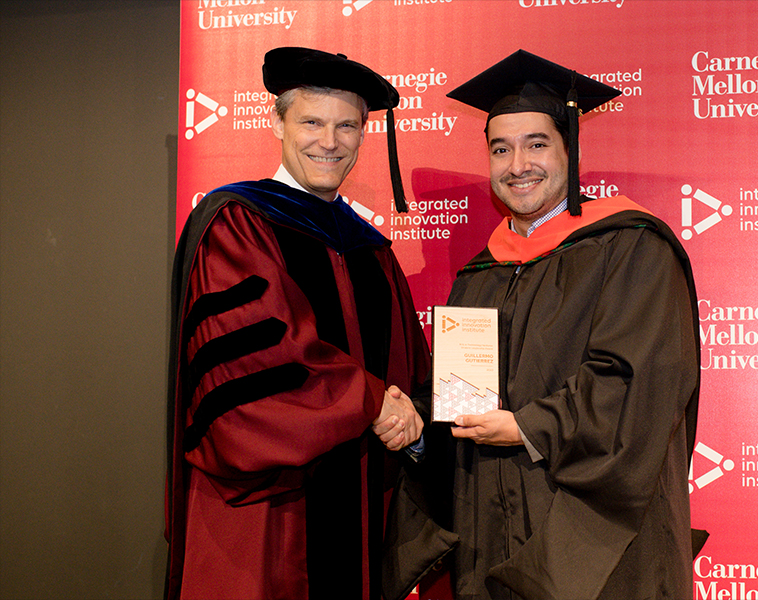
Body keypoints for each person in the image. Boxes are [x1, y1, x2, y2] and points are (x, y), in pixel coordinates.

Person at [384, 50, 703, 600]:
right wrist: (416, 425)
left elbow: (634, 387)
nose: (517, 165)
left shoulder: (632, 250)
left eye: (536, 144)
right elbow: (462, 398)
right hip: (492, 540)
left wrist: (527, 426)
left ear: (569, 149)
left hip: (594, 550)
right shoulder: (481, 273)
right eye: (500, 149)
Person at [165, 47, 431, 600]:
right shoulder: (237, 223)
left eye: (347, 126)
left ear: (363, 134)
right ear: (276, 121)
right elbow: (260, 365)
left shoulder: (372, 249)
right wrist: (373, 400)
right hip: (273, 511)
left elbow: (410, 373)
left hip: (360, 511)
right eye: (311, 121)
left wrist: (415, 413)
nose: (329, 142)